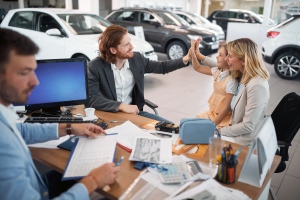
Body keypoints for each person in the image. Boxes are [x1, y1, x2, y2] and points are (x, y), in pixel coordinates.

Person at [0, 28, 120, 200]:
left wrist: (69, 128)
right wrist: (92, 181)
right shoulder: (3, 147)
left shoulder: (4, 114)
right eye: (24, 72)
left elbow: (21, 131)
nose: (35, 81)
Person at [86, 25, 190, 122]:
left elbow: (162, 67)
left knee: (172, 128)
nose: (132, 47)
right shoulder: (95, 66)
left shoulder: (137, 59)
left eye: (130, 42)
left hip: (134, 114)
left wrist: (186, 58)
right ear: (113, 50)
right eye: (126, 45)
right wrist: (121, 106)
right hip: (108, 115)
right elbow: (92, 99)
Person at [219, 38, 270, 145]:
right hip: (235, 130)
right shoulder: (244, 77)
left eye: (231, 56)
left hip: (245, 140)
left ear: (244, 60)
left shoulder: (257, 85)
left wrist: (218, 132)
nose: (226, 59)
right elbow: (217, 66)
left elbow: (248, 126)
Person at [189, 38, 240, 128]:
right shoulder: (218, 71)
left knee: (196, 128)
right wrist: (193, 55)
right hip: (212, 112)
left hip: (222, 118)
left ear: (228, 59)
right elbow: (198, 68)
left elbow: (226, 109)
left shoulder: (231, 81)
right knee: (192, 122)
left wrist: (212, 126)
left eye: (220, 55)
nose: (216, 57)